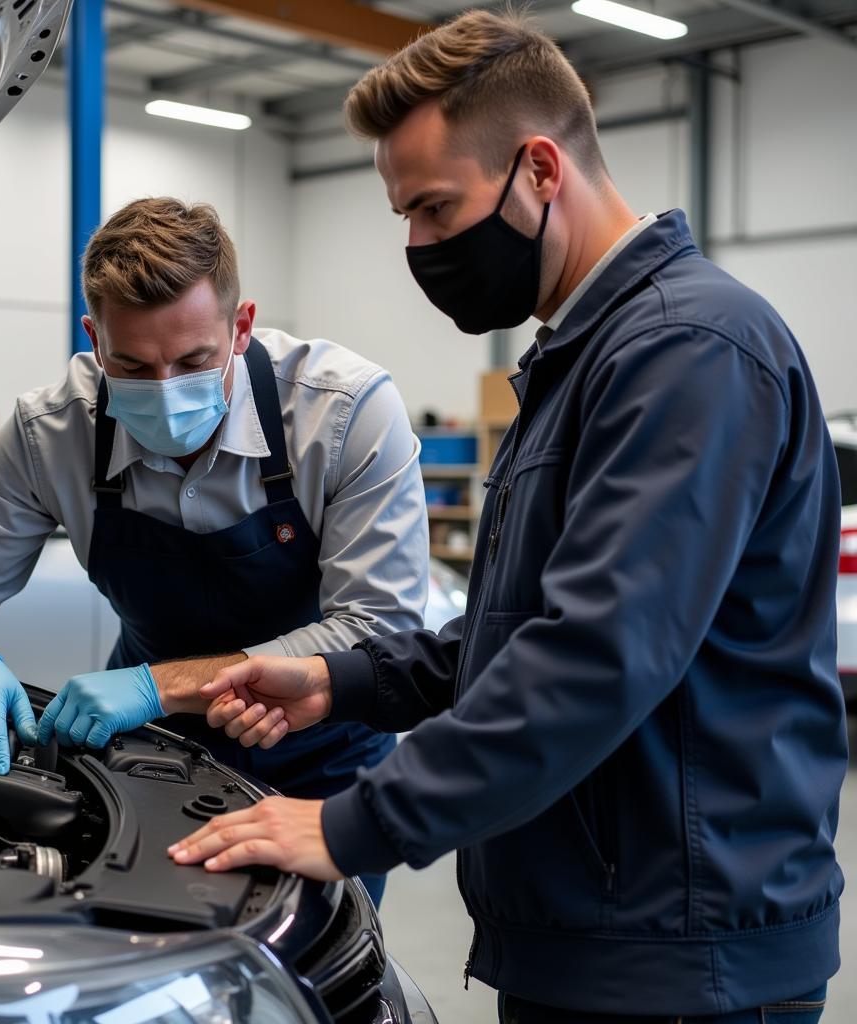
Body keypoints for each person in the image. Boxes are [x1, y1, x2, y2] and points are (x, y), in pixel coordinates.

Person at [168, 11, 848, 1022]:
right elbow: (515, 629)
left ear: (538, 168)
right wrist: (337, 680)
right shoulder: (589, 357)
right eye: (404, 215)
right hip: (596, 930)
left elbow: (594, 653)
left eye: (437, 209)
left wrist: (357, 824)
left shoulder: (687, 351)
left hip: (676, 954)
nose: (419, 246)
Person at [0, 196, 430, 906]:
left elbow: (379, 631)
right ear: (94, 340)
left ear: (242, 327)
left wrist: (155, 686)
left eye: (195, 361)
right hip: (145, 758)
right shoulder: (54, 430)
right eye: (132, 367)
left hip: (321, 756)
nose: (165, 394)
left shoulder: (342, 412)